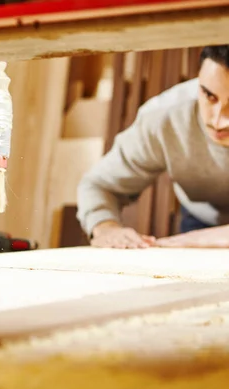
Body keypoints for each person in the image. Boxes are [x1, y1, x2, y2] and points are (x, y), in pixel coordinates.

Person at [76, 45, 229, 249]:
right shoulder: (164, 118)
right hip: (203, 220)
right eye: (209, 96)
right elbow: (98, 184)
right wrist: (106, 228)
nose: (219, 121)